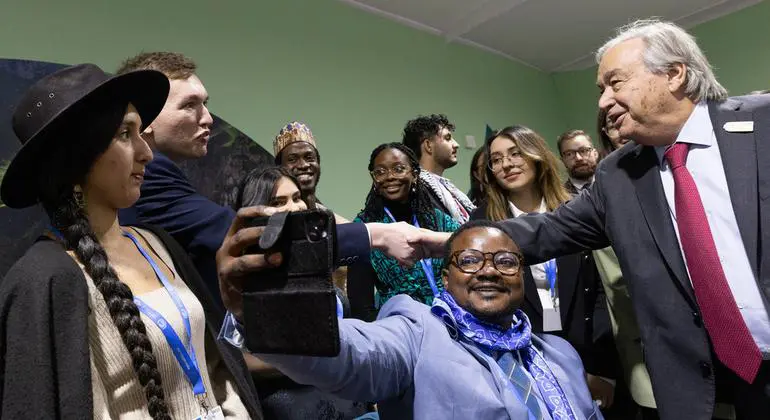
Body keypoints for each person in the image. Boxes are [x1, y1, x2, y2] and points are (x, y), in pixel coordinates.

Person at [461, 19, 770, 420]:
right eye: (601, 90)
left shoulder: (761, 125)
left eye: (615, 83)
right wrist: (454, 241)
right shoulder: (619, 174)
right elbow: (552, 230)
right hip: (706, 390)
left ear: (675, 74)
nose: (604, 102)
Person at [0, 64, 261, 419]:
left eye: (141, 132)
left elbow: (218, 368)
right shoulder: (45, 280)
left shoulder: (158, 244)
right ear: (78, 155)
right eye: (125, 133)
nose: (146, 153)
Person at [222, 219, 603, 420]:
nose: (488, 271)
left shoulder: (559, 354)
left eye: (505, 262)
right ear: (444, 277)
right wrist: (263, 311)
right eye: (469, 261)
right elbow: (353, 354)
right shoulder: (416, 332)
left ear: (522, 276)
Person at [470, 126, 619, 413]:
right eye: (497, 159)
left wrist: (601, 370)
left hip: (588, 355)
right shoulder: (483, 226)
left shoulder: (576, 210)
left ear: (537, 156)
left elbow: (601, 292)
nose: (507, 164)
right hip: (523, 363)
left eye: (516, 153)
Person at [232, 166, 370, 420]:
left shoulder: (317, 262)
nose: (294, 207)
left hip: (349, 401)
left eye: (297, 198)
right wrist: (317, 361)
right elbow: (238, 360)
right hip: (294, 407)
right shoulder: (241, 275)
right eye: (278, 202)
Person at [116, 52, 231, 304]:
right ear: (145, 118)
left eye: (205, 104)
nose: (208, 119)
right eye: (189, 105)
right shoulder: (152, 172)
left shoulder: (160, 172)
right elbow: (232, 231)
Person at [348, 143, 459, 321]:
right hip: (400, 325)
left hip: (451, 319)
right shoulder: (365, 227)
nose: (389, 177)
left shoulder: (436, 219)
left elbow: (466, 242)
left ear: (414, 174)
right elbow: (361, 307)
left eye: (398, 169)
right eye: (380, 172)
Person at [402, 114, 475, 223]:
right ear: (428, 145)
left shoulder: (449, 189)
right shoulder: (416, 189)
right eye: (448, 138)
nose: (456, 145)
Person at [272, 121, 348, 223]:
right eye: (292, 159)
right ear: (279, 168)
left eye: (309, 158)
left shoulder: (336, 223)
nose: (303, 165)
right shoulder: (272, 221)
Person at [557, 129, 600, 195]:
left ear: (595, 154)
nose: (578, 158)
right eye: (569, 154)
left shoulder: (613, 182)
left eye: (583, 151)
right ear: (563, 161)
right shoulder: (559, 197)